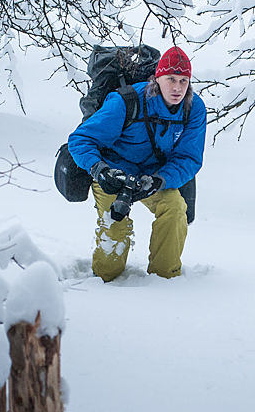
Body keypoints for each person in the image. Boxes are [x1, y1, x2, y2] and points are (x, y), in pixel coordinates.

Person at [68, 46, 206, 280]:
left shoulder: (193, 109)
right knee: (116, 223)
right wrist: (99, 169)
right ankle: (105, 281)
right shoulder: (126, 101)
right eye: (171, 79)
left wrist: (160, 180)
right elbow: (81, 139)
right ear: (157, 78)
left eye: (183, 81)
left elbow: (188, 158)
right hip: (113, 173)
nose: (177, 88)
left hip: (152, 177)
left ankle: (166, 280)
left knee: (174, 209)